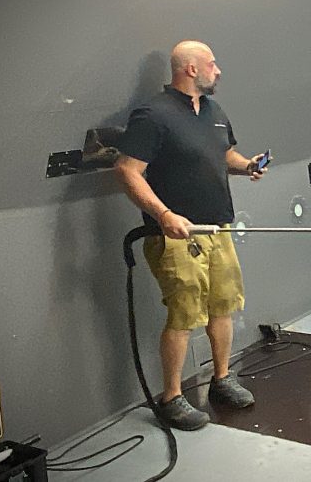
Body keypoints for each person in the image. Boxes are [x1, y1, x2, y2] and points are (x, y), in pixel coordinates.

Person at [114, 40, 269, 431]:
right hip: (176, 236)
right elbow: (128, 170)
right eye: (212, 64)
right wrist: (164, 215)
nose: (219, 70)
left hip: (218, 227)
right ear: (191, 69)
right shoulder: (153, 114)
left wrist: (247, 165)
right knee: (184, 314)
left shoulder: (214, 111)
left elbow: (224, 154)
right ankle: (171, 397)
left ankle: (221, 379)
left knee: (223, 305)